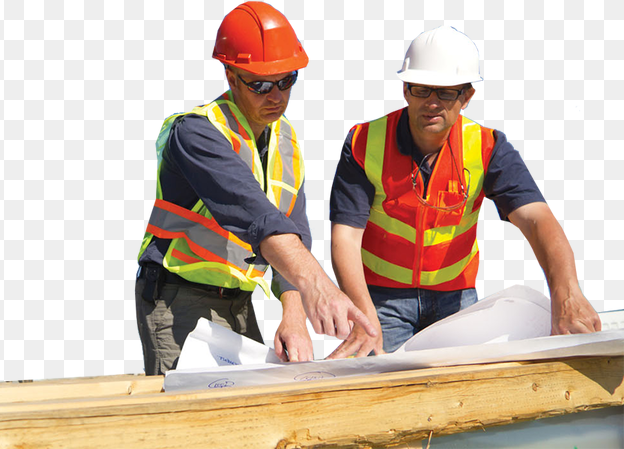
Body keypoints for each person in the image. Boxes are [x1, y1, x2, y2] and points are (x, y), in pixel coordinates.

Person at [327, 25, 602, 357]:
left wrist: (567, 293)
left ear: (466, 97)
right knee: (383, 392)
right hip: (380, 299)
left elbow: (536, 219)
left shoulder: (487, 148)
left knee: (463, 394)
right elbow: (345, 237)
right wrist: (363, 313)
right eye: (421, 89)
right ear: (405, 90)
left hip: (455, 300)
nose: (431, 103)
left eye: (445, 92)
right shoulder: (363, 142)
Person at [135, 1, 376, 376]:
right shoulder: (197, 133)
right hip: (177, 295)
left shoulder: (285, 139)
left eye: (286, 80)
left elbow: (292, 230)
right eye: (261, 84)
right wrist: (319, 286)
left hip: (238, 300)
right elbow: (258, 217)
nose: (276, 95)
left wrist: (293, 313)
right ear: (231, 78)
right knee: (189, 418)